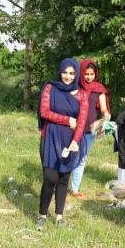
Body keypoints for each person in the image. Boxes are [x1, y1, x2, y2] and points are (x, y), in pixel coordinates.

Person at [36, 58, 88, 229]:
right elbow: (44, 112)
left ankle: (59, 217)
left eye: (72, 73)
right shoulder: (50, 88)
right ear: (60, 72)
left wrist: (75, 141)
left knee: (64, 178)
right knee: (50, 177)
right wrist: (67, 120)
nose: (67, 76)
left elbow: (81, 121)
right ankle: (42, 215)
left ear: (76, 75)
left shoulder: (82, 94)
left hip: (70, 139)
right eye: (65, 72)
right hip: (50, 136)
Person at [69, 59, 111, 198]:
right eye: (86, 74)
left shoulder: (99, 89)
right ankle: (60, 184)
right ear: (81, 73)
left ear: (95, 74)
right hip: (72, 127)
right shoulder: (75, 86)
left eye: (91, 74)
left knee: (81, 159)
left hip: (88, 131)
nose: (89, 77)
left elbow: (104, 109)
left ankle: (74, 189)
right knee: (68, 155)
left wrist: (105, 117)